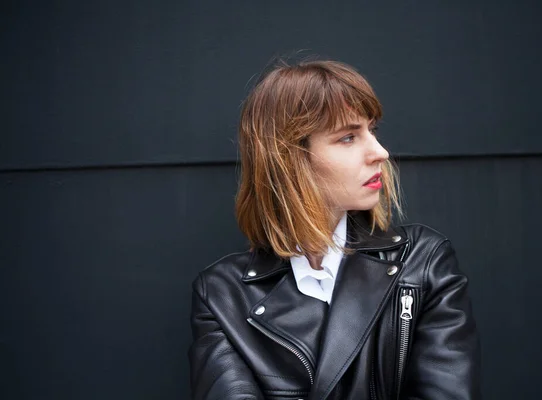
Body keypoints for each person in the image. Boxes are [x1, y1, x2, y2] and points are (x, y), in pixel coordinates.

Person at [188, 59, 480, 399]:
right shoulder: (222, 296)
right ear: (289, 158)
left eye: (372, 131)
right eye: (348, 137)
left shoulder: (422, 262)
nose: (380, 152)